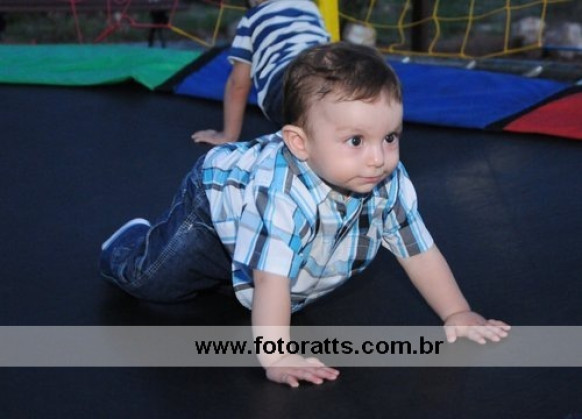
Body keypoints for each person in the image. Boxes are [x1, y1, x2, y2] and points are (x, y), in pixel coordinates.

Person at [100, 42, 510, 388]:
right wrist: (277, 356)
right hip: (214, 203)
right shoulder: (280, 195)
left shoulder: (388, 180)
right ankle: (127, 245)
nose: (378, 158)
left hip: (267, 227)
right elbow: (270, 278)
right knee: (154, 282)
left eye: (390, 137)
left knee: (265, 282)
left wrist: (457, 312)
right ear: (299, 143)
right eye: (356, 141)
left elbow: (419, 251)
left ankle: (237, 268)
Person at [191, 0, 330, 145]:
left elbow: (238, 84)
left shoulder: (251, 19)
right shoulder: (309, 6)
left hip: (284, 82)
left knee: (302, 113)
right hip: (325, 73)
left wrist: (228, 135)